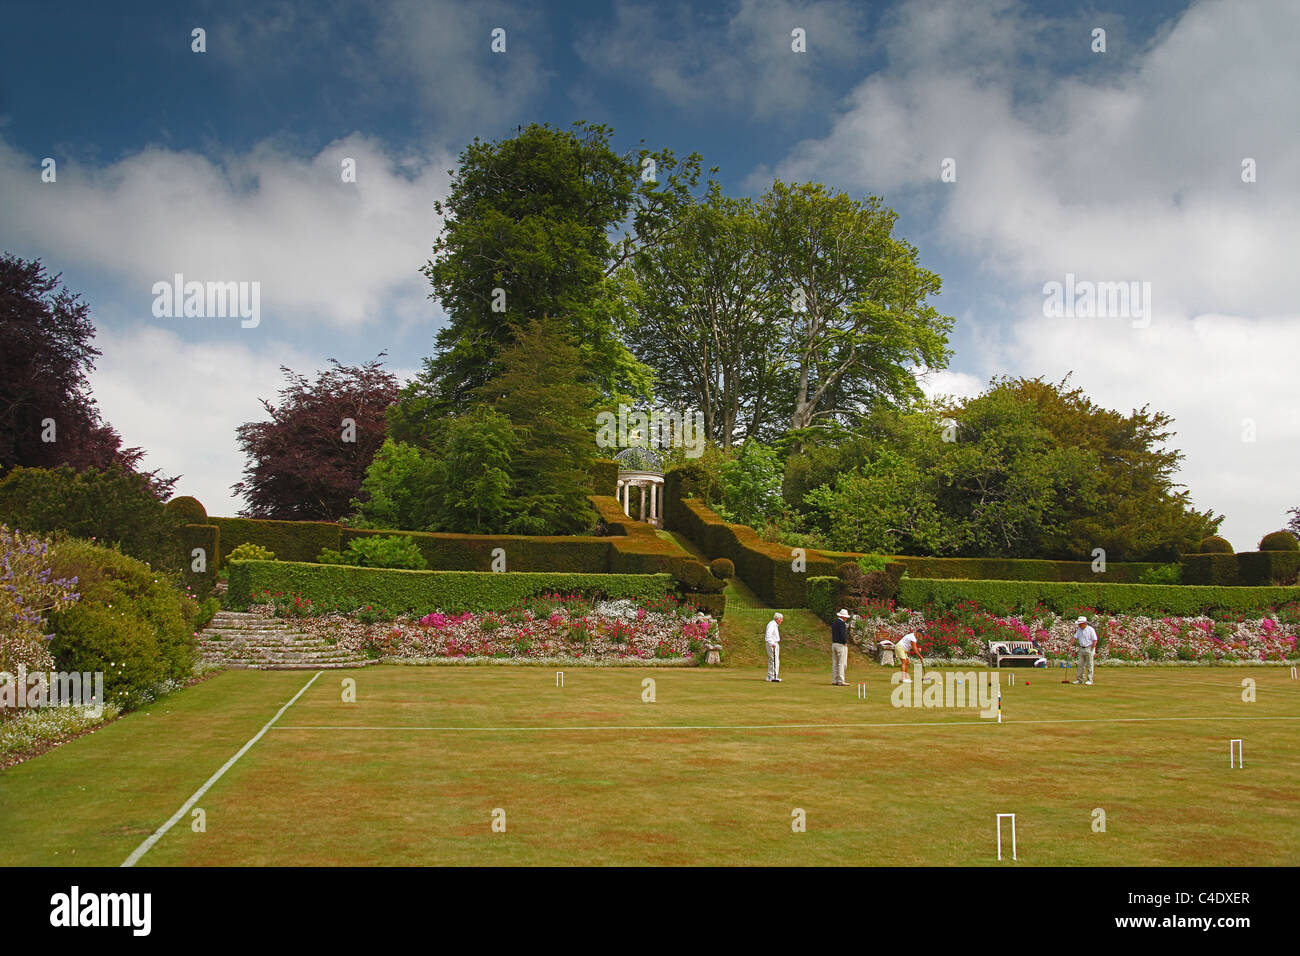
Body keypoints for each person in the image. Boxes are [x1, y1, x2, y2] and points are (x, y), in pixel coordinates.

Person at [1072, 615, 1098, 685]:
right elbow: (1075, 637)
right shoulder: (1079, 630)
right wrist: (1070, 645)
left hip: (1089, 648)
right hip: (1081, 649)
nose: (1079, 625)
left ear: (1084, 623)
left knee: (1089, 665)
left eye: (1080, 624)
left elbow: (1095, 640)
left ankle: (1090, 680)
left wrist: (1092, 648)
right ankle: (1079, 680)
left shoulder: (1091, 630)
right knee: (1080, 665)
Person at [831, 609, 851, 685]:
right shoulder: (842, 623)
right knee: (842, 663)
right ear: (843, 616)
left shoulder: (834, 623)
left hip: (834, 644)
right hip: (840, 645)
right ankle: (841, 680)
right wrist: (845, 642)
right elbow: (842, 634)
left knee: (835, 662)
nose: (846, 618)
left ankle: (834, 680)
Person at [765, 612, 783, 682]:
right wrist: (772, 643)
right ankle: (773, 677)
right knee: (774, 660)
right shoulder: (772, 625)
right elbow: (768, 635)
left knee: (772, 660)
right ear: (777, 619)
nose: (782, 621)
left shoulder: (774, 624)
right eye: (781, 619)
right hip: (772, 644)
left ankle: (770, 676)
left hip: (774, 643)